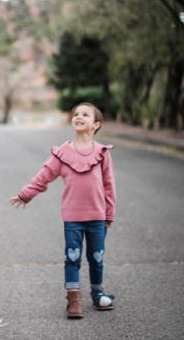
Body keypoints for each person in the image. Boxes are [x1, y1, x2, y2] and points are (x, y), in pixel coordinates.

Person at [9, 102, 117, 319]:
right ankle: (73, 299)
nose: (78, 116)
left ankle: (97, 294)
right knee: (72, 257)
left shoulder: (102, 153)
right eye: (76, 113)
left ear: (95, 125)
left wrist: (109, 212)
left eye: (85, 114)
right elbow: (44, 176)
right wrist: (25, 194)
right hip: (73, 218)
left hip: (97, 216)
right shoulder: (62, 153)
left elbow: (109, 185)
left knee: (97, 257)